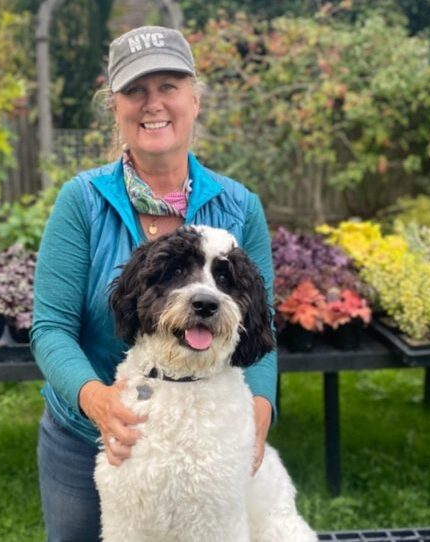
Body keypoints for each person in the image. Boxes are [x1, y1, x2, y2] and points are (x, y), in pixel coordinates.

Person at [31, 25, 278, 541]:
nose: (153, 104)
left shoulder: (239, 207)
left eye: (168, 86)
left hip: (207, 435)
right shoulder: (83, 202)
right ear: (114, 105)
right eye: (136, 90)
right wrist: (99, 403)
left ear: (193, 98)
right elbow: (50, 328)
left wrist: (258, 412)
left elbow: (259, 326)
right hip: (91, 433)